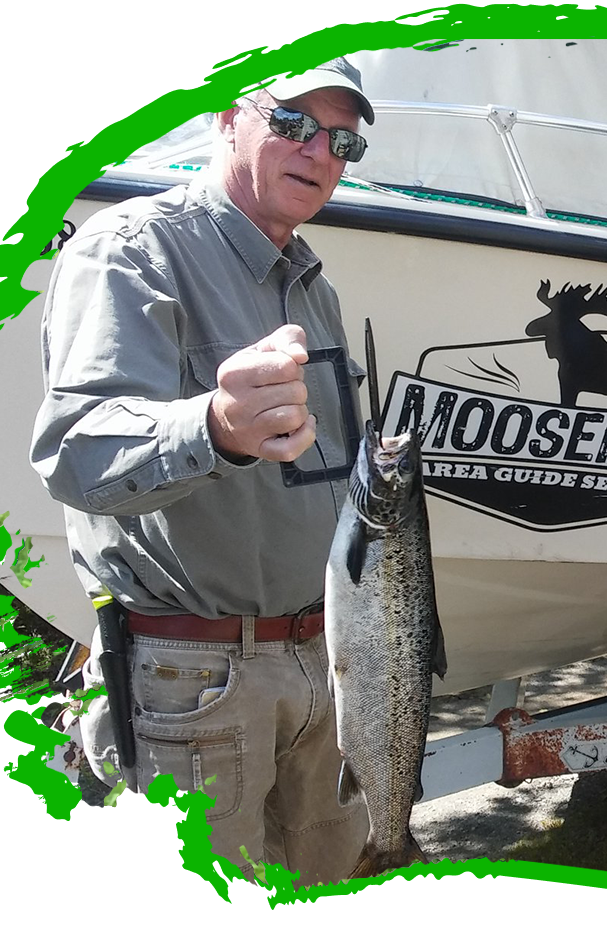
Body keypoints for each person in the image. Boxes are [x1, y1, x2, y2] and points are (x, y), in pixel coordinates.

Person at [30, 57, 379, 885]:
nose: (319, 151)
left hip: (325, 663)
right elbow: (76, 451)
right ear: (229, 120)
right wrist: (215, 426)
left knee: (332, 905)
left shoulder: (309, 280)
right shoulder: (133, 248)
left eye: (342, 140)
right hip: (194, 680)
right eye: (292, 124)